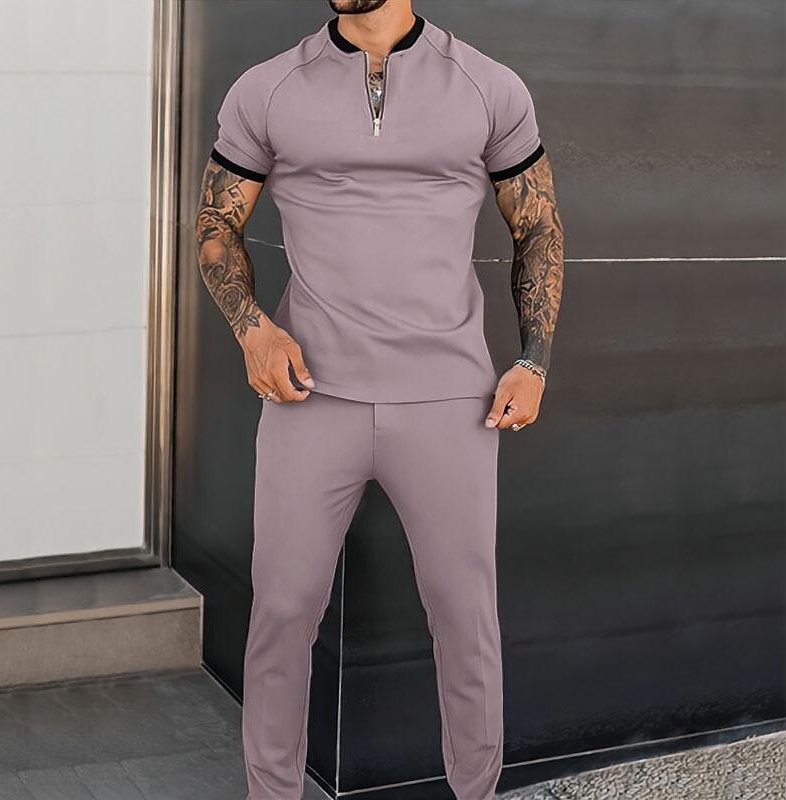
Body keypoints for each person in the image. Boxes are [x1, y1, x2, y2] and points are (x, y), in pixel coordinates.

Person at [194, 1, 564, 797]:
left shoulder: (488, 86)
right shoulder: (267, 88)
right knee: (282, 614)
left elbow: (537, 227)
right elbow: (217, 222)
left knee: (465, 619)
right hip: (310, 397)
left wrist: (532, 360)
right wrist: (253, 329)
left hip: (449, 399)